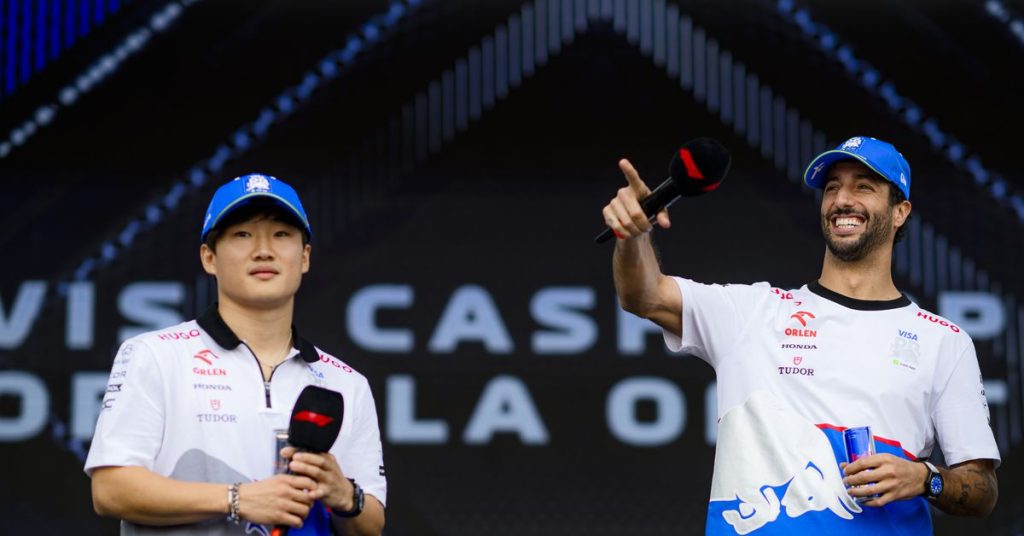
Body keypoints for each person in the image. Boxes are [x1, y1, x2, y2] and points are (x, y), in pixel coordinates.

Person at [603, 136, 999, 534]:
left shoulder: (943, 341)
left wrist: (925, 478)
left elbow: (982, 489)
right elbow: (644, 296)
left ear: (900, 212)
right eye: (832, 187)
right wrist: (633, 233)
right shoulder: (754, 312)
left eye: (863, 186)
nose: (842, 199)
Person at [86, 174, 386, 535]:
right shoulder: (154, 354)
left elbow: (371, 525)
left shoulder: (348, 383)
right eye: (243, 235)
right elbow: (111, 490)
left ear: (305, 257)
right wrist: (237, 498)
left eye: (281, 235)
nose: (264, 250)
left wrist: (346, 496)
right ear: (209, 258)